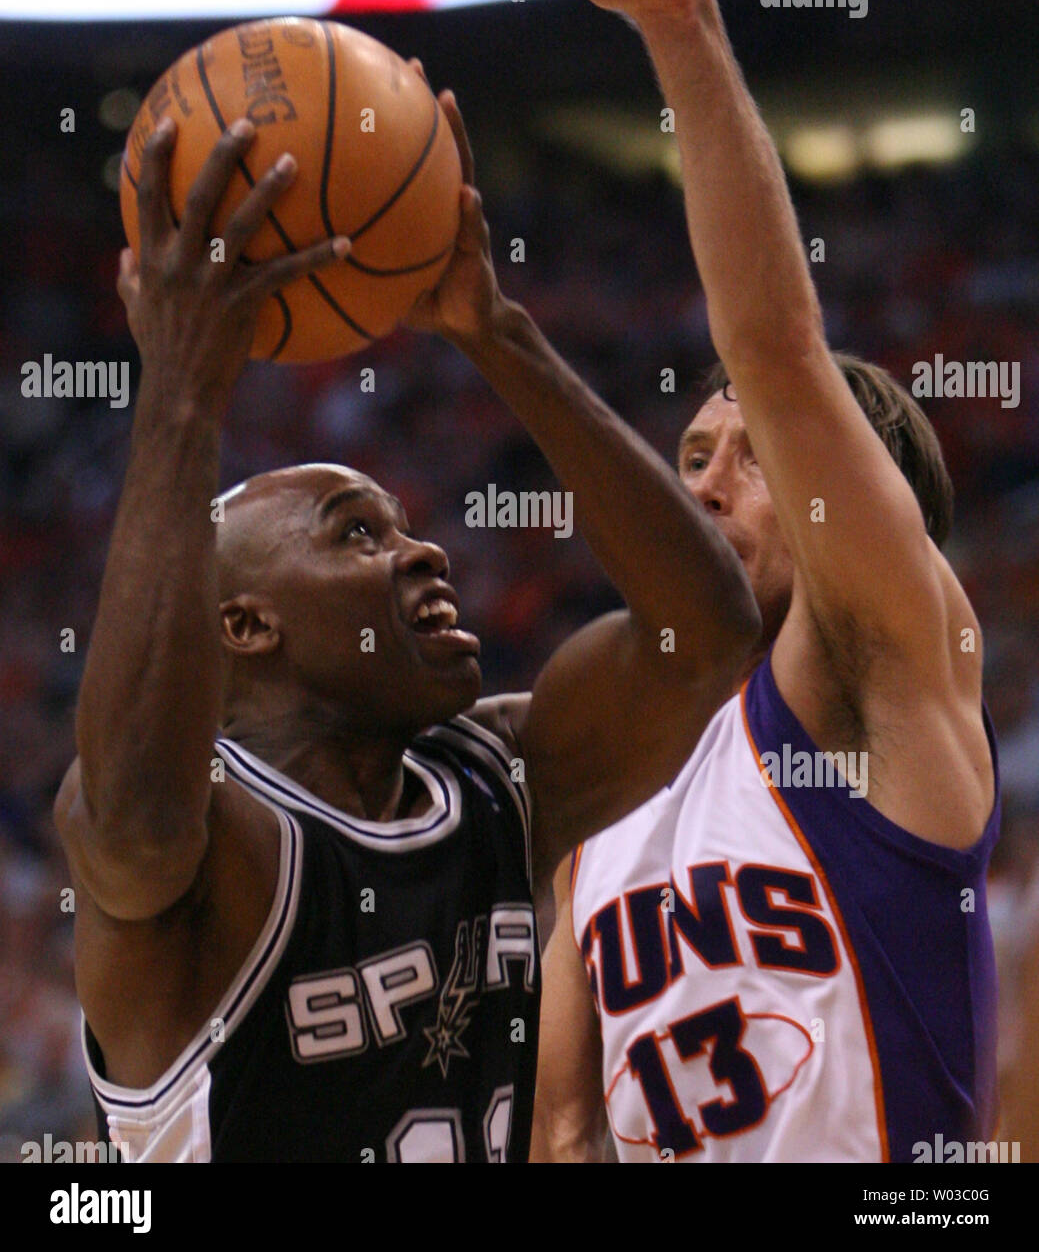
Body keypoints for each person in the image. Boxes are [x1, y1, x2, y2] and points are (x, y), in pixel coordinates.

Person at [53, 81, 759, 1162]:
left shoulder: (503, 776)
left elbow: (703, 635)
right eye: (354, 534)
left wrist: (498, 331)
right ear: (244, 625)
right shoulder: (216, 839)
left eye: (405, 526)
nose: (423, 552)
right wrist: (184, 390)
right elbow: (137, 811)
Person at [519, 0, 999, 1163]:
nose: (702, 476)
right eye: (689, 447)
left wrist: (679, 29)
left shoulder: (876, 676)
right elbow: (563, 1129)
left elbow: (777, 348)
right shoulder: (598, 790)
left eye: (750, 455)